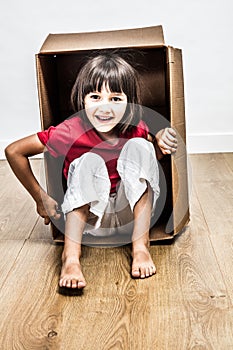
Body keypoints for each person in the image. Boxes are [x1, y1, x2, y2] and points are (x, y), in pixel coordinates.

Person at [5, 53, 177, 290]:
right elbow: (14, 151)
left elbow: (148, 166)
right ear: (82, 98)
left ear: (130, 103)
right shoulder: (69, 132)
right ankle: (71, 258)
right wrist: (40, 198)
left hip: (133, 218)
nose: (105, 107)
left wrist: (158, 142)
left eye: (116, 98)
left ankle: (140, 246)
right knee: (89, 161)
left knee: (141, 147)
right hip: (92, 222)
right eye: (95, 96)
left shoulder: (135, 129)